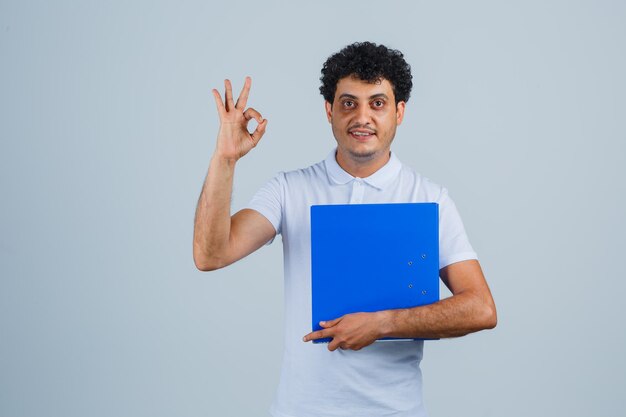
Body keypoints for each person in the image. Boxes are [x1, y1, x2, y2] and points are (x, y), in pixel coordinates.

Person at [193, 41, 497, 417]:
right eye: (349, 103)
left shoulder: (429, 198)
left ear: (399, 112)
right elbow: (210, 254)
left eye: (378, 103)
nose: (362, 117)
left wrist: (383, 323)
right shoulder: (289, 189)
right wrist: (224, 159)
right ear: (329, 110)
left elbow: (481, 308)